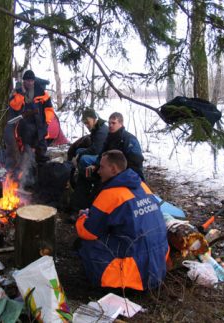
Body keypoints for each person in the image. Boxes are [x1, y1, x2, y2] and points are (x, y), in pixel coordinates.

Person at [75, 150, 169, 290]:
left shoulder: (110, 194)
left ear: (113, 169)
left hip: (135, 272)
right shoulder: (142, 186)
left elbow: (87, 232)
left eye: (102, 167)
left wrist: (82, 217)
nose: (98, 171)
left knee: (85, 244)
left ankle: (110, 283)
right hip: (160, 261)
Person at [8, 70, 56, 166]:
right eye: (27, 80)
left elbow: (49, 109)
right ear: (24, 81)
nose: (29, 82)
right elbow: (14, 106)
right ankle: (27, 170)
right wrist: (21, 93)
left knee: (41, 147)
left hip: (40, 124)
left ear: (34, 81)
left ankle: (42, 167)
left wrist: (47, 122)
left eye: (31, 80)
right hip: (25, 125)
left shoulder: (41, 92)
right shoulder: (18, 92)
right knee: (27, 150)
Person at [87, 112, 145, 180]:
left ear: (121, 124)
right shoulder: (109, 138)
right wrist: (95, 165)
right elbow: (102, 155)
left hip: (129, 174)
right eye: (109, 123)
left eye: (113, 123)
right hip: (112, 170)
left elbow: (136, 161)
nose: (110, 125)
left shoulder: (129, 139)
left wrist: (118, 172)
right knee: (89, 172)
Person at [72, 108, 108, 174]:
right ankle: (80, 171)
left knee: (83, 158)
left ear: (94, 119)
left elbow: (96, 150)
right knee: (78, 150)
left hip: (104, 155)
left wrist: (80, 155)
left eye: (88, 122)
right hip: (99, 151)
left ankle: (86, 176)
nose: (86, 125)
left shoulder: (101, 131)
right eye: (85, 123)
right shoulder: (95, 127)